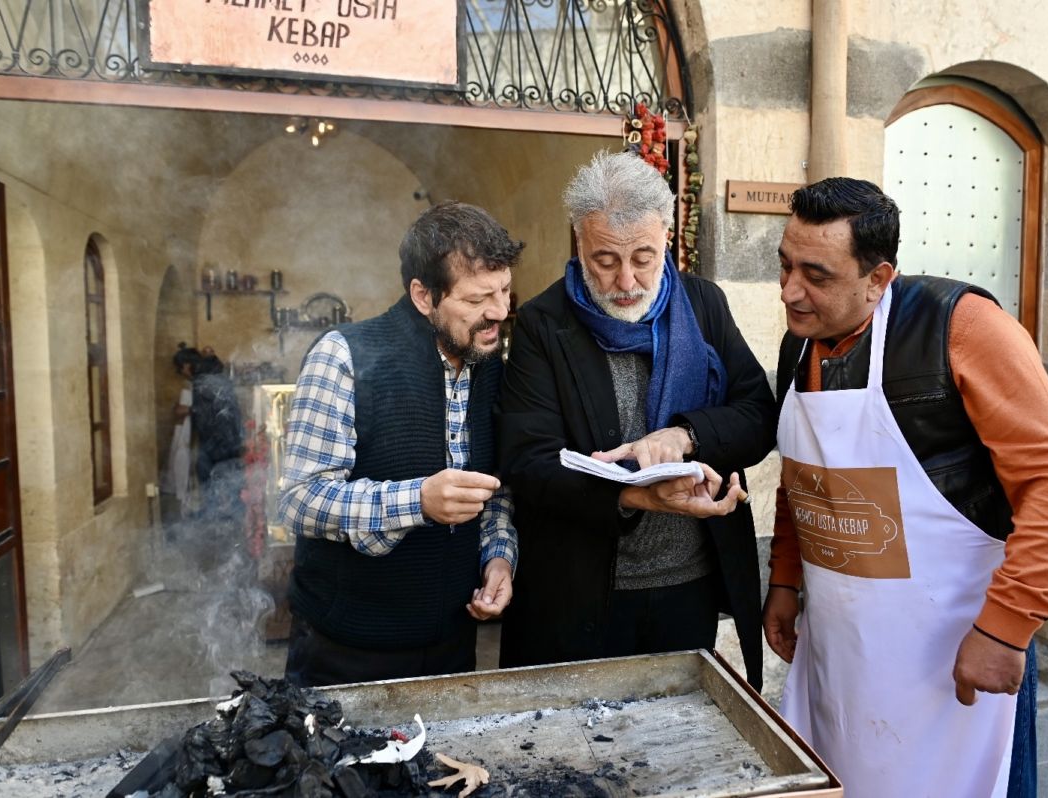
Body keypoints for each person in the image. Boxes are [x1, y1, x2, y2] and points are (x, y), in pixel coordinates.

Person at [764, 177, 1048, 797]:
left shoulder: (963, 329)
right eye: (784, 265)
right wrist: (785, 579)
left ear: (878, 278)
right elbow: (805, 481)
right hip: (842, 651)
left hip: (954, 656)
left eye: (816, 274)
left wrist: (1005, 627)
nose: (789, 291)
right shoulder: (799, 345)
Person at [497, 151, 777, 688]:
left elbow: (757, 414)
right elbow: (526, 461)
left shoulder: (703, 304)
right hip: (581, 591)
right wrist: (629, 494)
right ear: (578, 242)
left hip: (689, 583)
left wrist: (685, 434)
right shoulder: (542, 323)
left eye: (644, 257)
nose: (626, 279)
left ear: (667, 238)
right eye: (604, 260)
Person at [279, 201, 523, 687]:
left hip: (453, 644)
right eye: (476, 300)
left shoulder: (491, 364)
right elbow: (299, 501)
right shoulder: (342, 355)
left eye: (505, 291)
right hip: (345, 651)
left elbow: (494, 492)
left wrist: (498, 556)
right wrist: (417, 501)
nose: (498, 312)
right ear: (423, 295)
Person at [172, 344, 244, 521]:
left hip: (219, 439)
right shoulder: (214, 373)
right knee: (228, 478)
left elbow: (209, 412)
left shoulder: (202, 380)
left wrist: (189, 410)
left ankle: (219, 517)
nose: (184, 374)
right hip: (229, 437)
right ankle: (224, 516)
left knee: (214, 475)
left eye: (182, 369)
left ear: (188, 366)